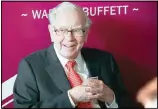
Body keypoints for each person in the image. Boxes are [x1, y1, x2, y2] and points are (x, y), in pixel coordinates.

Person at [13, 2, 134, 108]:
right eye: (62, 30)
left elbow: (127, 103)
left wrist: (110, 96)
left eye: (77, 30)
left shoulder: (105, 60)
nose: (69, 38)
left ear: (86, 33)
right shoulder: (31, 66)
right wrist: (71, 98)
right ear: (51, 32)